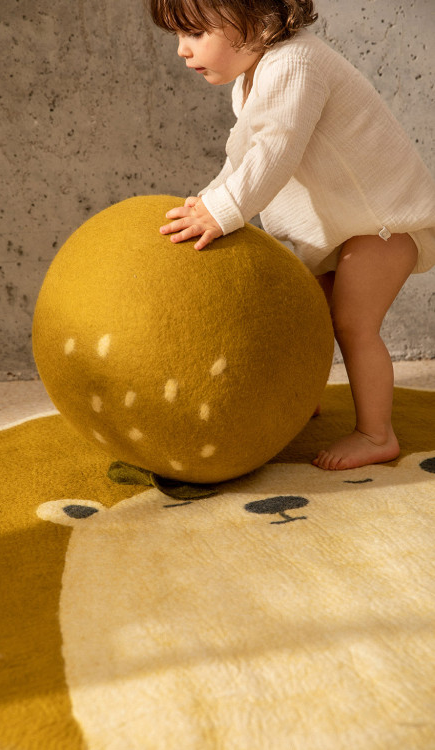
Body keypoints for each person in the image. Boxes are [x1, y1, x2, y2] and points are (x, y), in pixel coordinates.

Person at [148, 0, 435, 470]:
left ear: (259, 22)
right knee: (310, 318)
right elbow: (244, 153)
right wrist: (205, 202)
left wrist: (223, 211)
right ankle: (301, 399)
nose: (182, 50)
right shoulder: (253, 77)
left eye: (196, 33)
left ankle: (376, 434)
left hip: (381, 223)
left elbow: (275, 150)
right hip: (337, 227)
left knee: (353, 324)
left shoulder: (296, 63)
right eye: (179, 36)